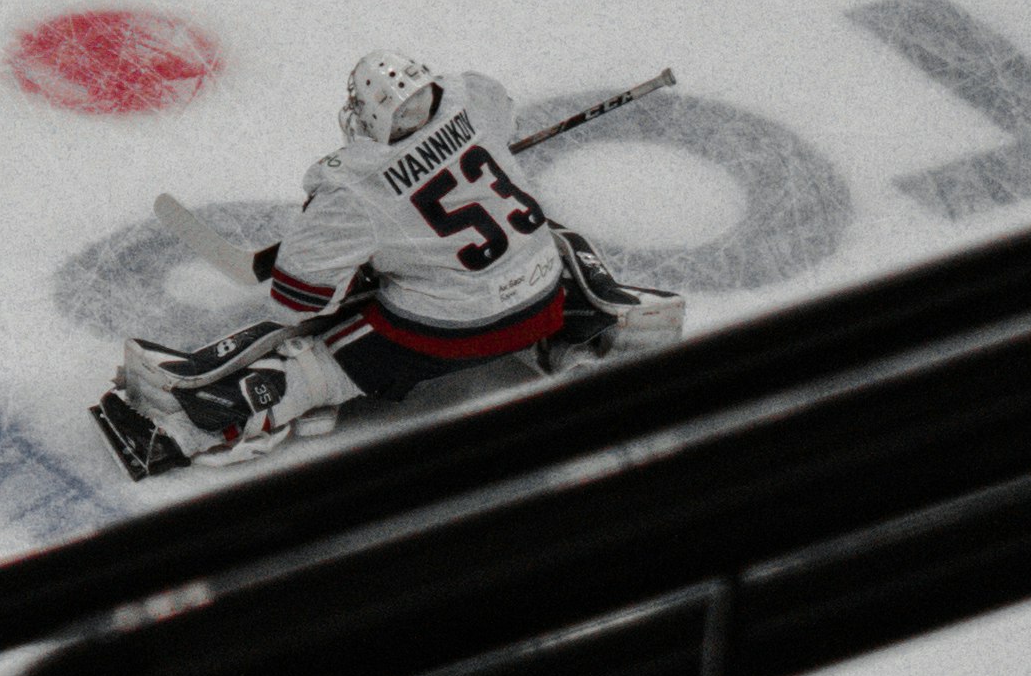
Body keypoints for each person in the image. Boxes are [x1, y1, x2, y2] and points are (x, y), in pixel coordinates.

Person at [100, 54, 675, 479]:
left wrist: (354, 260)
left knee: (319, 352)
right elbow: (497, 112)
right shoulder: (471, 99)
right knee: (548, 235)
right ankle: (585, 329)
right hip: (541, 299)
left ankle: (197, 420)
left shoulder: (351, 187)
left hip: (450, 335)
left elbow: (296, 303)